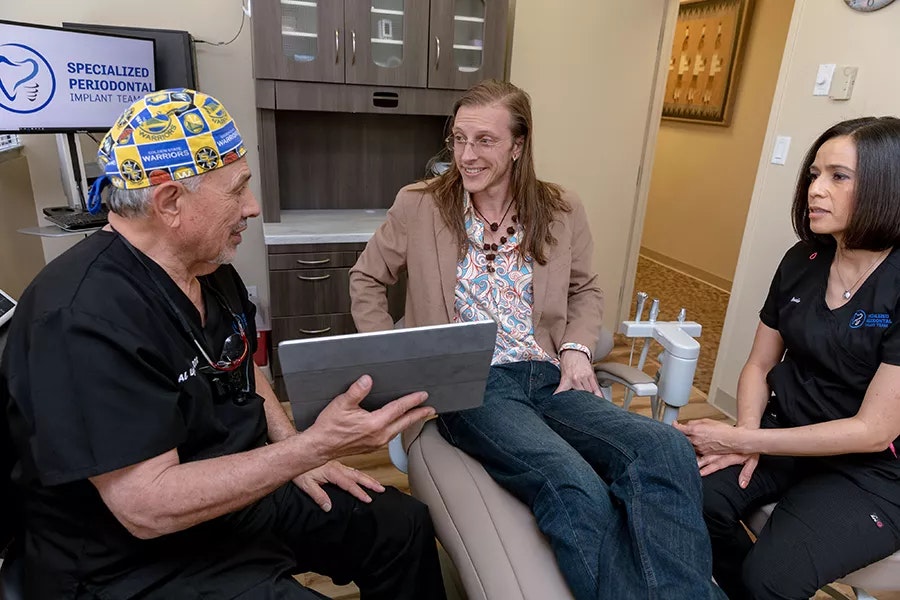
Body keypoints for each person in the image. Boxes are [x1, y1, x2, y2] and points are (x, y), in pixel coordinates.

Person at [0, 88, 447, 600]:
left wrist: (299, 453)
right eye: (238, 190)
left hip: (233, 496)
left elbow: (237, 360)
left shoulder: (207, 268)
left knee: (400, 526)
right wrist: (312, 446)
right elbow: (146, 507)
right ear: (170, 202)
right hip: (130, 559)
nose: (252, 207)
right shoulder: (79, 319)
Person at [349, 79, 723, 600]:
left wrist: (575, 350)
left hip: (548, 373)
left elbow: (586, 289)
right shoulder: (421, 205)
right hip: (470, 383)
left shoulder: (560, 208)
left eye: (485, 140)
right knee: (573, 483)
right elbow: (367, 278)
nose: (466, 155)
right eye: (459, 139)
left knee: (664, 448)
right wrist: (396, 357)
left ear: (518, 145)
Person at [676, 116, 900, 599]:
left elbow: (874, 430)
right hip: (785, 431)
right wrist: (746, 433)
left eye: (838, 177)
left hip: (871, 469)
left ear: (887, 186)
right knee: (686, 499)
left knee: (771, 578)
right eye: (814, 174)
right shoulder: (802, 260)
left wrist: (747, 438)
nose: (815, 189)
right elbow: (759, 364)